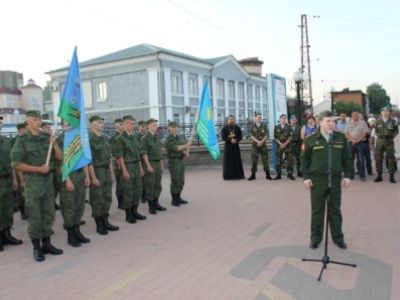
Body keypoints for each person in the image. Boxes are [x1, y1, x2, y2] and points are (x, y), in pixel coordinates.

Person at [11, 110, 63, 262]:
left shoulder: (46, 138)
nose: (38, 122)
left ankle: (47, 244)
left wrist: (54, 145)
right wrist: (38, 169)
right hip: (33, 182)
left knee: (49, 214)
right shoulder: (22, 140)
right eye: (35, 119)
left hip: (48, 182)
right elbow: (16, 164)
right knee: (35, 216)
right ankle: (37, 247)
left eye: (39, 119)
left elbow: (59, 157)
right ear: (28, 122)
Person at [301, 110, 353, 250]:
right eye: (328, 121)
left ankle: (338, 238)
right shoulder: (310, 139)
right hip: (317, 181)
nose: (331, 124)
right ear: (320, 122)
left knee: (335, 210)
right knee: (317, 211)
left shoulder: (340, 138)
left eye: (333, 121)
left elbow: (347, 158)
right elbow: (304, 160)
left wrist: (348, 175)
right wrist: (306, 177)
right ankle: (316, 238)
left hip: (335, 180)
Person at [57, 123, 91, 247]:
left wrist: (87, 175)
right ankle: (70, 235)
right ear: (62, 124)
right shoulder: (60, 140)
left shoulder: (78, 138)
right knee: (69, 207)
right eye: (67, 122)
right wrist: (67, 180)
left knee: (79, 206)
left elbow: (83, 159)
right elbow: (59, 163)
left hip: (80, 175)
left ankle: (77, 231)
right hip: (69, 177)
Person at [88, 115, 119, 235]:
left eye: (102, 122)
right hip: (97, 171)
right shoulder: (89, 140)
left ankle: (106, 221)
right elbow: (88, 161)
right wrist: (93, 177)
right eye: (99, 122)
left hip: (106, 170)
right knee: (97, 199)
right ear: (92, 125)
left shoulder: (105, 138)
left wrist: (112, 173)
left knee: (107, 198)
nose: (102, 124)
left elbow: (109, 158)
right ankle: (99, 224)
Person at [114, 115, 146, 223]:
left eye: (134, 124)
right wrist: (124, 170)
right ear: (126, 124)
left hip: (136, 166)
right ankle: (128, 215)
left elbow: (138, 154)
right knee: (128, 191)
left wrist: (141, 167)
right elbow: (120, 156)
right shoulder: (120, 139)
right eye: (131, 124)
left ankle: (135, 212)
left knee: (137, 190)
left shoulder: (133, 138)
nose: (133, 126)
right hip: (128, 166)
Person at [0, 115, 23, 252]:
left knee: (7, 209)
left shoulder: (6, 142)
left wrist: (15, 179)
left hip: (7, 179)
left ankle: (7, 235)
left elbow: (12, 163)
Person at [141, 119, 166, 214]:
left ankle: (156, 203)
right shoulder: (145, 138)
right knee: (150, 185)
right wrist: (148, 165)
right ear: (149, 126)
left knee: (157, 185)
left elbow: (159, 153)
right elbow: (144, 153)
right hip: (150, 163)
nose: (156, 126)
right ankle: (151, 206)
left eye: (156, 125)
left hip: (157, 163)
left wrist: (161, 164)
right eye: (154, 125)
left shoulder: (156, 137)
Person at [165, 121, 192, 206]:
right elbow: (176, 148)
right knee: (175, 180)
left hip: (180, 160)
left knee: (181, 181)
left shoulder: (179, 137)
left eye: (176, 127)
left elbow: (181, 148)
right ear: (169, 128)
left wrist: (185, 152)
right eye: (172, 127)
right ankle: (174, 199)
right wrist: (186, 145)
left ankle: (179, 196)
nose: (174, 128)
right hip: (173, 161)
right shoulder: (169, 139)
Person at [373, 107, 399, 183]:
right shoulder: (377, 121)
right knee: (378, 158)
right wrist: (380, 135)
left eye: (386, 111)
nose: (385, 112)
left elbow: (396, 131)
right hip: (380, 141)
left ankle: (391, 177)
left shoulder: (393, 121)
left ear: (388, 113)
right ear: (381, 113)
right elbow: (376, 130)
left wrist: (391, 137)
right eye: (383, 111)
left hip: (389, 141)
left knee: (391, 158)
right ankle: (379, 176)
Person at [345, 111, 370, 181]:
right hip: (351, 143)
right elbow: (346, 133)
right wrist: (352, 140)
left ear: (358, 116)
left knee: (361, 160)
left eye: (356, 115)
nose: (355, 116)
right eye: (353, 115)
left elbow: (364, 133)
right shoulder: (348, 123)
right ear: (351, 116)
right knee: (350, 160)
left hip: (360, 143)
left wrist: (358, 140)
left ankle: (362, 176)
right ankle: (351, 175)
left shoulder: (363, 123)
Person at [41, 121, 60, 211]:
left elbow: (57, 155)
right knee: (46, 189)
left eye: (49, 127)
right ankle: (47, 205)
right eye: (46, 127)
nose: (49, 129)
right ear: (42, 128)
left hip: (53, 167)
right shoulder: (41, 139)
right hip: (45, 168)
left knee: (54, 187)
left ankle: (53, 202)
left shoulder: (52, 138)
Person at [10, 122, 27, 220]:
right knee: (21, 193)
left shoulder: (28, 140)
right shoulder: (13, 141)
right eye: (21, 131)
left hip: (28, 170)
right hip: (18, 169)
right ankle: (22, 211)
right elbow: (13, 160)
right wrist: (17, 179)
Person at [248, 113, 272, 181]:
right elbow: (251, 135)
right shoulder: (252, 126)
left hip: (263, 146)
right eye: (258, 117)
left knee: (265, 160)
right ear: (255, 118)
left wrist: (261, 141)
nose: (259, 118)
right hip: (255, 146)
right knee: (254, 161)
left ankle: (268, 175)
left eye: (260, 117)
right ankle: (253, 175)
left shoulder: (264, 125)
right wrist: (257, 142)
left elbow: (266, 134)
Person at [221, 115, 244, 180]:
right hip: (228, 147)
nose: (231, 121)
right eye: (230, 119)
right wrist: (230, 140)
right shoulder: (224, 128)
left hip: (236, 146)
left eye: (232, 119)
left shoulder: (237, 128)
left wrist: (236, 140)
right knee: (228, 161)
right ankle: (228, 176)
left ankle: (238, 175)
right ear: (227, 120)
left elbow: (240, 136)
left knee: (237, 161)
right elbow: (223, 137)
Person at [109, 118, 124, 209]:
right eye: (120, 124)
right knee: (120, 183)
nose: (122, 126)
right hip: (118, 162)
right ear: (116, 126)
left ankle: (125, 200)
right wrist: (118, 163)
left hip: (126, 162)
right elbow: (113, 152)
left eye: (123, 124)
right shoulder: (114, 137)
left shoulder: (124, 136)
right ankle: (120, 202)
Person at [274, 114, 294, 180]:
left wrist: (285, 144)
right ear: (280, 119)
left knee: (289, 160)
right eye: (282, 118)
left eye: (285, 118)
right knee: (278, 160)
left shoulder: (289, 127)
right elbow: (276, 137)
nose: (284, 120)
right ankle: (278, 175)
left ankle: (290, 174)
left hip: (287, 145)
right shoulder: (276, 127)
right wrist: (281, 144)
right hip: (279, 146)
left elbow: (290, 137)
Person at [136, 121, 148, 203]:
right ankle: (142, 196)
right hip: (140, 160)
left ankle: (147, 194)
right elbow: (137, 150)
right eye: (142, 127)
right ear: (139, 127)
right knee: (142, 179)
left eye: (145, 127)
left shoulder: (147, 136)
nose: (144, 128)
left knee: (148, 178)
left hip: (148, 160)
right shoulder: (136, 137)